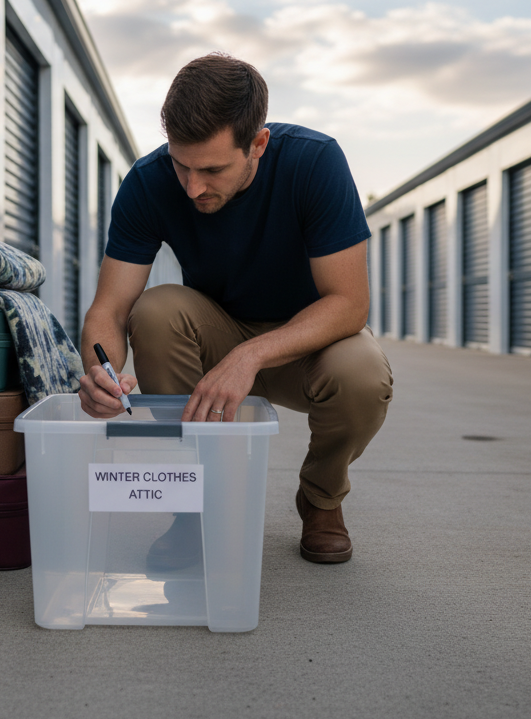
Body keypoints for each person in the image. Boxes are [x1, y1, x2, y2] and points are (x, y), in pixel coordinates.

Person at [78, 53, 393, 565]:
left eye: (213, 169)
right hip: (215, 335)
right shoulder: (148, 181)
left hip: (307, 344)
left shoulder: (315, 162)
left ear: (259, 145)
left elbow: (349, 303)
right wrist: (99, 373)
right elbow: (109, 309)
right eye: (182, 164)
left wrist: (249, 357)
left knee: (362, 372)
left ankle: (320, 500)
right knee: (155, 311)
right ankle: (194, 505)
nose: (193, 186)